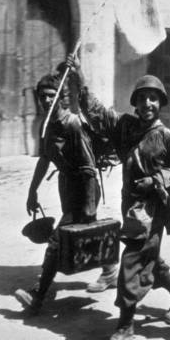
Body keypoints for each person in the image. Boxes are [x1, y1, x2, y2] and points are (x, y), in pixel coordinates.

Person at [72, 58, 170, 340]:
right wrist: (79, 76)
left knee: (131, 262)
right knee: (148, 259)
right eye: (142, 98)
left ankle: (124, 327)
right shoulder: (125, 126)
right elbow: (97, 113)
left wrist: (154, 182)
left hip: (153, 212)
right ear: (135, 103)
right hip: (130, 208)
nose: (147, 104)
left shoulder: (167, 138)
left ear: (161, 102)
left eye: (153, 98)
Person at [15, 69, 118, 312]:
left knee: (58, 239)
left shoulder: (72, 124)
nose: (46, 100)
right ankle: (110, 270)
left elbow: (89, 166)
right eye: (42, 96)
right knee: (83, 233)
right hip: (67, 187)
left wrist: (89, 203)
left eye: (51, 95)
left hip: (84, 186)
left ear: (61, 97)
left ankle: (38, 296)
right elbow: (44, 160)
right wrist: (33, 192)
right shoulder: (47, 126)